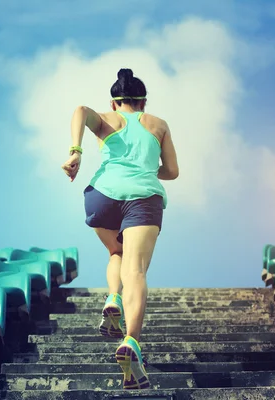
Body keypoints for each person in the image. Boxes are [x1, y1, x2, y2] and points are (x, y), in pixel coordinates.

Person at [61, 68, 179, 390]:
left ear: (114, 104)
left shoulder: (107, 120)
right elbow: (172, 171)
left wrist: (76, 151)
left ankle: (112, 299)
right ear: (144, 102)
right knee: (136, 270)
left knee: (117, 251)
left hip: (102, 196)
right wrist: (145, 168)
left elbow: (80, 111)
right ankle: (131, 342)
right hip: (143, 199)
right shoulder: (158, 125)